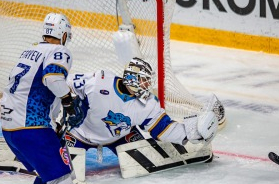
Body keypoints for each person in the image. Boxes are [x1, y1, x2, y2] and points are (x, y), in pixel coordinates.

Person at [0, 12, 79, 184]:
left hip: (10, 128)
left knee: (48, 176)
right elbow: (53, 78)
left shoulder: (29, 51)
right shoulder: (59, 52)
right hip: (31, 128)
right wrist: (68, 100)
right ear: (63, 34)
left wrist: (55, 116)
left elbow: (39, 88)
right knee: (64, 181)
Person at [58, 57, 218, 159]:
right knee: (56, 162)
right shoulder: (99, 81)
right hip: (80, 133)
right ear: (132, 78)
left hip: (120, 137)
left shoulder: (147, 102)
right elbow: (61, 83)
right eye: (144, 80)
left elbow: (163, 128)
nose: (147, 85)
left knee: (148, 157)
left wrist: (190, 133)